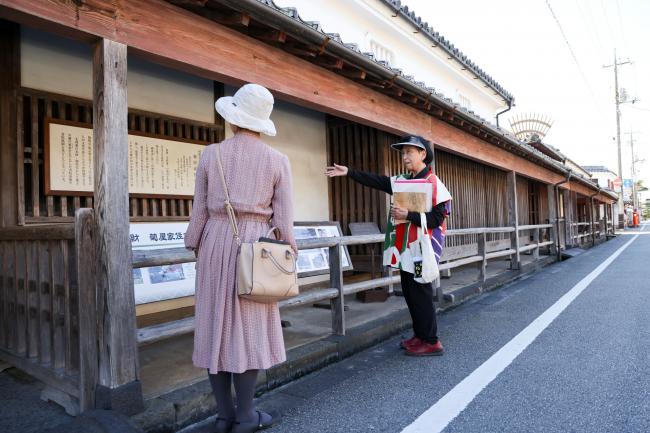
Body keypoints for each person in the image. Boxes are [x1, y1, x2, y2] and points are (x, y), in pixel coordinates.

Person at [185, 83, 296, 433]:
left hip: (215, 242)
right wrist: (289, 248)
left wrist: (195, 244)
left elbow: (198, 211)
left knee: (214, 327)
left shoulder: (211, 154)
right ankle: (246, 416)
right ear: (261, 122)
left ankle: (224, 416)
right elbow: (284, 218)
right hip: (256, 247)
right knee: (249, 330)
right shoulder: (278, 161)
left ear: (234, 119)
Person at [325, 135, 451, 356]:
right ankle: (420, 335)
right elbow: (379, 181)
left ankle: (431, 341)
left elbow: (438, 219)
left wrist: (408, 214)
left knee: (421, 292)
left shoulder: (434, 182)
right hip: (405, 250)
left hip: (421, 250)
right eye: (403, 153)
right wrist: (350, 172)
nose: (404, 157)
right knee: (410, 293)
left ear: (423, 154)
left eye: (409, 152)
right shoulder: (403, 180)